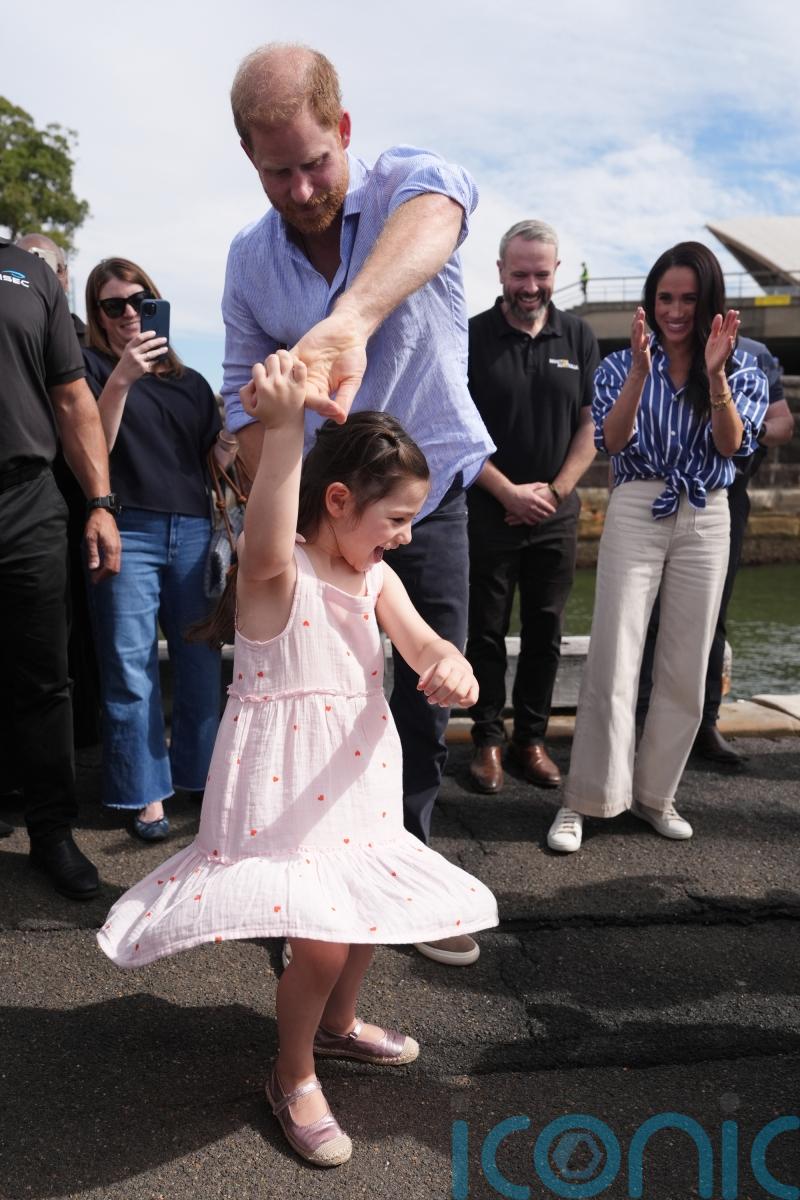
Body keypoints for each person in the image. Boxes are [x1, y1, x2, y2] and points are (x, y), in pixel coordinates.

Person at [97, 351, 498, 1167]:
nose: (405, 535)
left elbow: (424, 643)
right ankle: (293, 1071)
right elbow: (269, 525)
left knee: (363, 914)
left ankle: (340, 1024)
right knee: (318, 936)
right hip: (280, 788)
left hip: (354, 773)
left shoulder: (375, 575)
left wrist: (449, 665)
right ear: (340, 500)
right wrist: (283, 430)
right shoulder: (275, 576)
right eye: (395, 518)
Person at [220, 43, 494, 967]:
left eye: (314, 163)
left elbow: (443, 209)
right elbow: (240, 414)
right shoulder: (247, 264)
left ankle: (404, 871)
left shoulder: (411, 188)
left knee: (418, 703)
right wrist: (282, 430)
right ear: (250, 162)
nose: (300, 189)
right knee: (298, 713)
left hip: (427, 507)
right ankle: (292, 892)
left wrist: (348, 322)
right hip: (315, 529)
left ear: (345, 131)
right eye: (276, 172)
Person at [548, 242, 769, 853]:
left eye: (688, 299)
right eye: (665, 298)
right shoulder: (622, 366)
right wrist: (642, 373)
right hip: (638, 504)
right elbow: (613, 441)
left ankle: (655, 795)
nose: (675, 310)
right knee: (614, 656)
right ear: (651, 302)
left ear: (708, 303)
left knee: (686, 663)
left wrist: (717, 373)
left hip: (706, 512)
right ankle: (583, 800)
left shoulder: (742, 370)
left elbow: (729, 447)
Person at [82, 257, 226, 840]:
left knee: (200, 666)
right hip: (128, 528)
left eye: (138, 301)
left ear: (156, 303)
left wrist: (227, 447)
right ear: (96, 316)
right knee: (128, 667)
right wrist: (121, 377)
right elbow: (92, 446)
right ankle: (143, 793)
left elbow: (209, 461)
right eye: (112, 305)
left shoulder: (190, 383)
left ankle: (201, 777)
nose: (127, 314)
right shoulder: (90, 368)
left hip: (191, 528)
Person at [0, 235, 120, 896]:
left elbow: (74, 401)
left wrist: (100, 503)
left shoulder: (27, 272)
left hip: (23, 498)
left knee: (46, 678)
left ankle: (51, 832)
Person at [465, 220, 599, 795]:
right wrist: (507, 492)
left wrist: (556, 491)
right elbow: (456, 430)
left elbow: (593, 422)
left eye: (540, 274)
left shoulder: (580, 337)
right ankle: (488, 741)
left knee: (546, 628)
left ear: (555, 273)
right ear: (500, 272)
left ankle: (531, 740)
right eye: (519, 273)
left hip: (555, 514)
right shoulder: (470, 335)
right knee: (486, 631)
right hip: (489, 509)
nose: (529, 285)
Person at [637, 336, 794, 768]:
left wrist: (752, 427)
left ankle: (703, 724)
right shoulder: (656, 347)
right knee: (646, 614)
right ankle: (642, 720)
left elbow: (783, 423)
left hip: (723, 497)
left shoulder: (756, 355)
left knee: (712, 615)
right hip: (656, 495)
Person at [16, 232, 102, 750]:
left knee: (73, 630)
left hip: (76, 497)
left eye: (46, 265)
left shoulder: (86, 340)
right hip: (37, 496)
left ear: (63, 275)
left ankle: (81, 737)